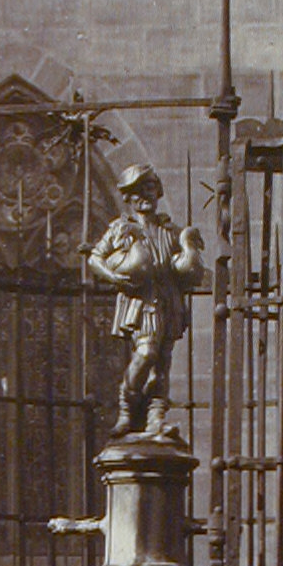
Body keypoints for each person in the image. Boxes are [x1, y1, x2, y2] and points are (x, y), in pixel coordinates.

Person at [89, 163, 205, 437]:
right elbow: (95, 258)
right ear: (128, 198)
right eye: (135, 191)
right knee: (146, 352)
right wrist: (114, 277)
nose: (143, 195)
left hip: (169, 300)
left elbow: (187, 267)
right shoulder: (121, 228)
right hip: (142, 302)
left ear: (158, 190)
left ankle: (156, 418)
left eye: (149, 187)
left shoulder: (171, 230)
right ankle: (126, 408)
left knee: (163, 363)